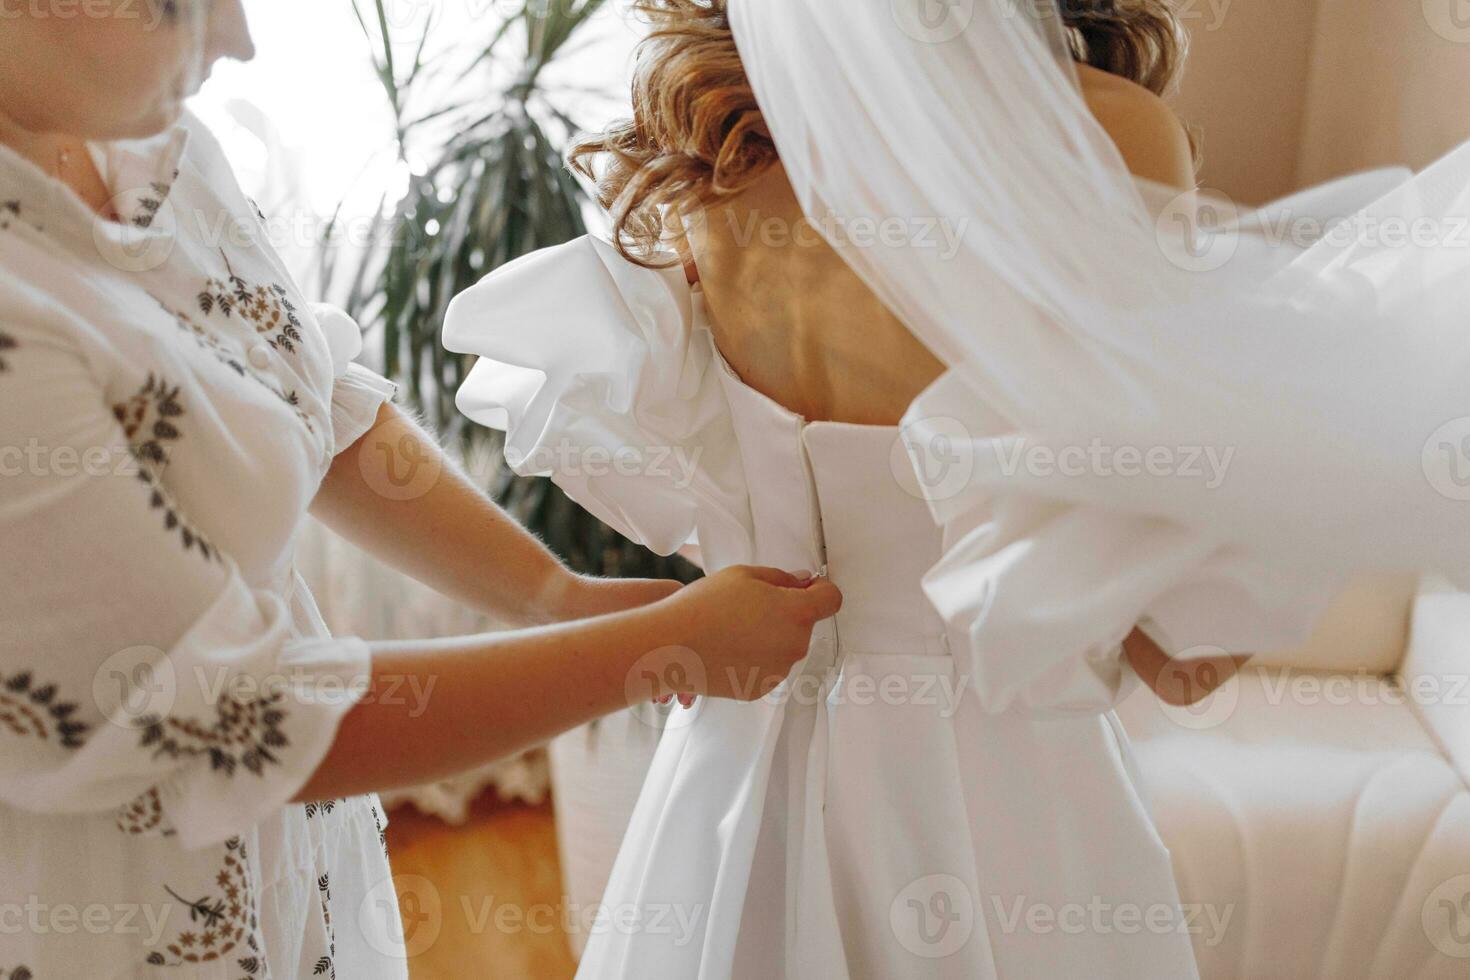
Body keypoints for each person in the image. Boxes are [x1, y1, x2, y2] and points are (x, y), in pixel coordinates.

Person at [0, 3, 841, 976]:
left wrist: (553, 594)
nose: (237, 40)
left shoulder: (149, 134)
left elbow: (307, 393)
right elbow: (236, 713)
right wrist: (658, 649)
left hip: (296, 845)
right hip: (107, 905)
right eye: (174, 7)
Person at [444, 2, 1248, 976]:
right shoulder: (1110, 135)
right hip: (1008, 763)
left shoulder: (719, 138)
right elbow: (1178, 649)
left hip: (749, 734)